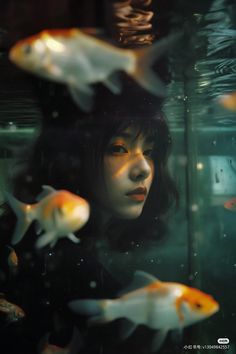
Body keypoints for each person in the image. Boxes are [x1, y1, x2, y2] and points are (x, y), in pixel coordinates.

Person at [0, 85, 178, 353]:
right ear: (75, 155)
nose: (143, 168)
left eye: (149, 151)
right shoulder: (45, 256)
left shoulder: (84, 248)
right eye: (119, 148)